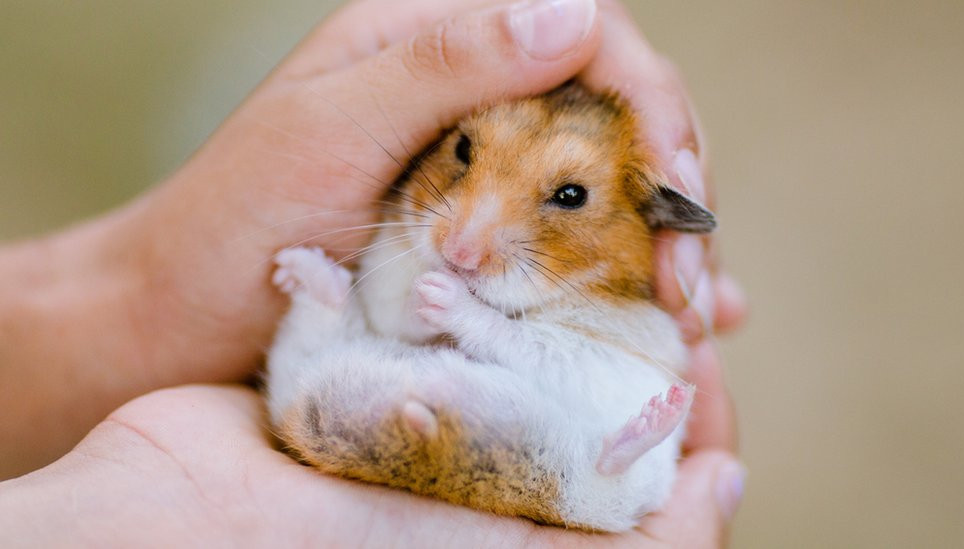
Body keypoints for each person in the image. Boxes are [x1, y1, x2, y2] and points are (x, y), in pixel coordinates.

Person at [0, 0, 747, 545]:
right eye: (463, 155)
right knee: (318, 374)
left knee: (621, 442)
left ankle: (604, 455)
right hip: (377, 405)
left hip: (543, 441)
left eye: (568, 196)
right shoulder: (402, 225)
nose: (465, 240)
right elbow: (391, 313)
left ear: (656, 214)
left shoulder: (617, 302)